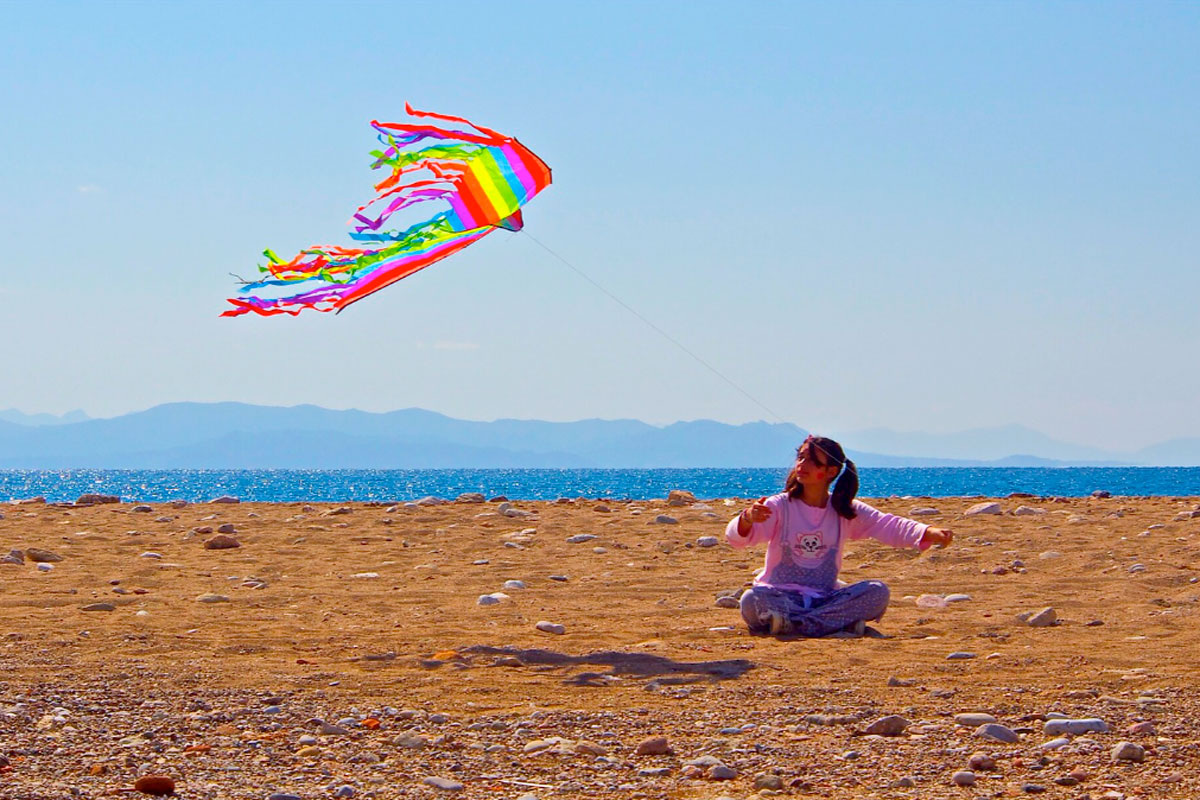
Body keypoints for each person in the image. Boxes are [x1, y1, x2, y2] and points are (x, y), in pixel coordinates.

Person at [726, 435, 953, 637]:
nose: (802, 465)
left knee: (877, 591)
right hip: (780, 597)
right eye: (801, 458)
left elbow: (887, 524)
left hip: (825, 599)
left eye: (813, 461)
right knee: (751, 600)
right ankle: (828, 625)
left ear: (831, 472)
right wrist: (747, 518)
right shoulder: (780, 505)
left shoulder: (843, 509)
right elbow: (737, 539)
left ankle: (798, 625)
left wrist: (927, 532)